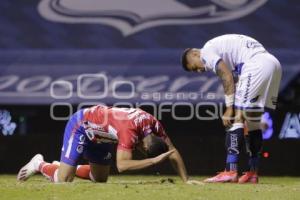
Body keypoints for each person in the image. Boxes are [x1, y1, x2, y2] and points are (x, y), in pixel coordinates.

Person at [181, 34, 282, 183]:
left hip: (255, 65)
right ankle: (252, 173)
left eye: (195, 67)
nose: (199, 71)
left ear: (196, 54)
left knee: (236, 118)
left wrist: (229, 108)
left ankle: (230, 170)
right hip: (273, 65)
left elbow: (226, 76)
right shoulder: (224, 50)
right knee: (253, 121)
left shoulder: (207, 51)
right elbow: (234, 79)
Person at [17, 105, 201, 184]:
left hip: (104, 135)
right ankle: (39, 164)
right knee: (63, 180)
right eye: (143, 152)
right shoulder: (129, 132)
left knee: (100, 179)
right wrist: (153, 161)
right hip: (82, 125)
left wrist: (186, 181)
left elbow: (173, 150)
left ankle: (67, 165)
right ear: (145, 146)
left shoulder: (153, 125)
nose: (138, 151)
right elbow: (122, 166)